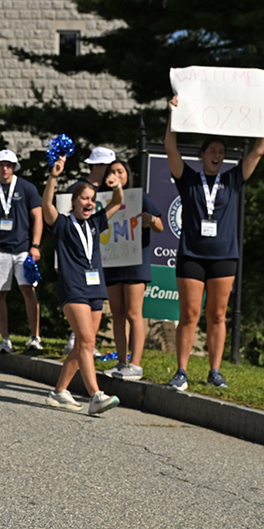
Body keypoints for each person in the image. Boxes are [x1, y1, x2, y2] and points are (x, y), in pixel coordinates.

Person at [164, 95, 264, 390]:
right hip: (191, 254)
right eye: (212, 150)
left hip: (224, 255)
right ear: (202, 154)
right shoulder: (188, 178)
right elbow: (170, 148)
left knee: (217, 314)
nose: (217, 154)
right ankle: (181, 371)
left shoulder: (232, 179)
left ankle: (215, 371)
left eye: (221, 151)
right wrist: (173, 115)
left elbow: (258, 152)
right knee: (189, 315)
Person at [41, 156, 124, 416]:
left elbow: (118, 202)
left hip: (95, 288)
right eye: (84, 198)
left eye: (92, 199)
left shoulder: (96, 222)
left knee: (82, 346)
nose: (89, 203)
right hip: (73, 287)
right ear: (74, 201)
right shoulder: (63, 224)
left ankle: (59, 391)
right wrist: (53, 176)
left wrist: (117, 184)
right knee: (86, 341)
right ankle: (96, 396)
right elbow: (46, 205)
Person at [0, 149, 43, 352]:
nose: (5, 168)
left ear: (14, 167)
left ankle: (35, 337)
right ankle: (5, 339)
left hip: (23, 249)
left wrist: (36, 245)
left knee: (28, 290)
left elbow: (38, 217)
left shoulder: (27, 188)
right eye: (1, 165)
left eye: (9, 165)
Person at [102, 160, 164, 381]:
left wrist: (151, 219)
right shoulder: (103, 200)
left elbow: (160, 225)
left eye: (120, 171)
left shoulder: (140, 197)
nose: (116, 175)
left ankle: (135, 364)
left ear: (128, 174)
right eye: (112, 172)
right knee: (117, 313)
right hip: (112, 260)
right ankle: (121, 362)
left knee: (133, 313)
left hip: (135, 260)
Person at [62, 146, 117, 355]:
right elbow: (63, 227)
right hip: (77, 259)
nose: (108, 171)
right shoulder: (76, 189)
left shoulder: (113, 189)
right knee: (79, 297)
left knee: (97, 301)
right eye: (106, 166)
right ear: (96, 165)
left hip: (107, 254)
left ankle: (89, 342)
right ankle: (77, 337)